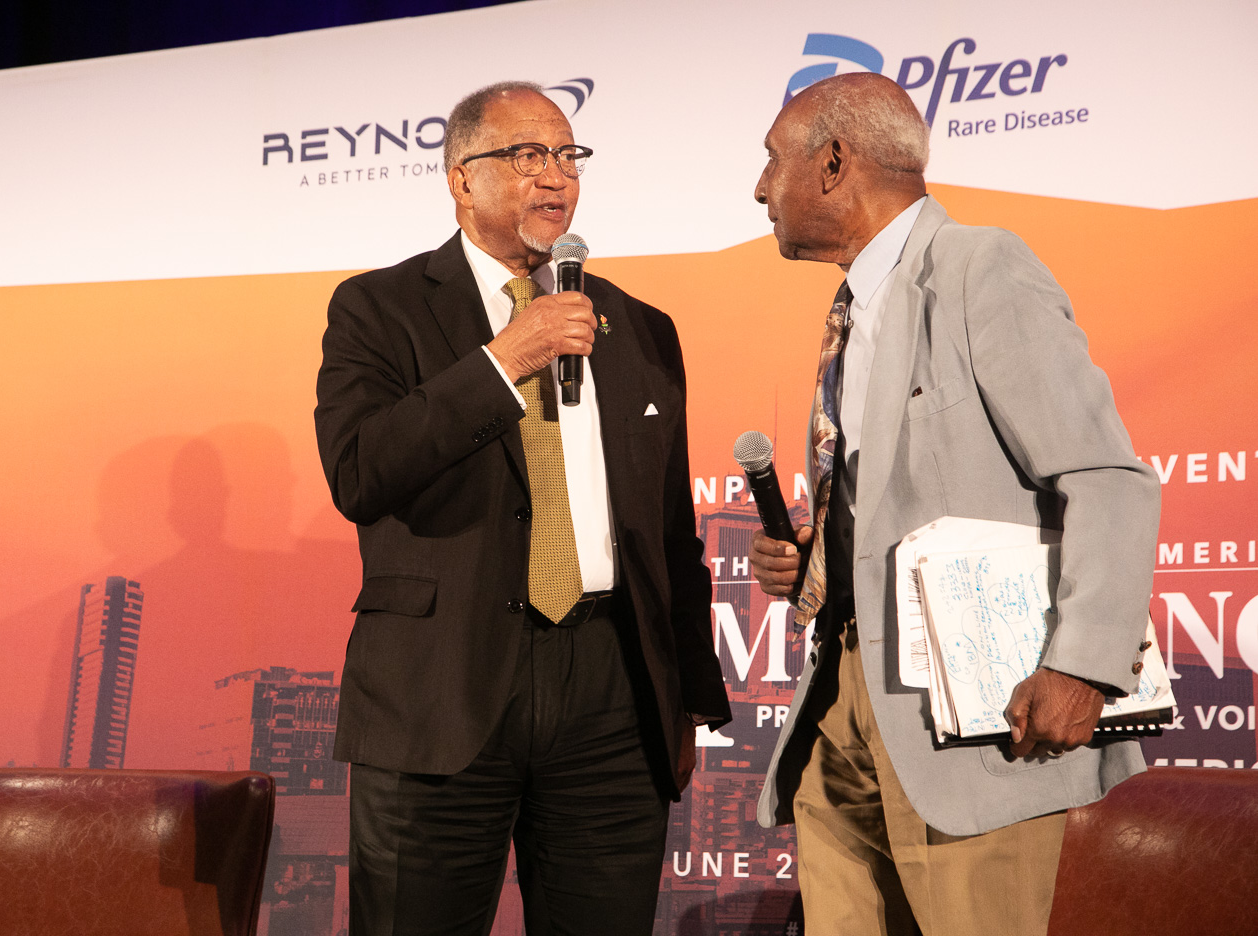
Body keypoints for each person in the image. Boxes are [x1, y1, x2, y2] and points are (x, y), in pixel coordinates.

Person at [747, 72, 1161, 936]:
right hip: (838, 698)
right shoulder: (854, 307)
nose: (760, 189)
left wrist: (1084, 666)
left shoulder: (980, 267)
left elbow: (1104, 476)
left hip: (977, 716)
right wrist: (820, 556)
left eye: (773, 160)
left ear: (833, 162)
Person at [314, 81, 731, 936]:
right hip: (442, 685)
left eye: (568, 156)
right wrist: (503, 361)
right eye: (527, 155)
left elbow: (667, 529)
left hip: (612, 692)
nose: (556, 176)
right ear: (461, 178)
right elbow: (360, 472)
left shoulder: (638, 325)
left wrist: (687, 695)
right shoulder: (379, 307)